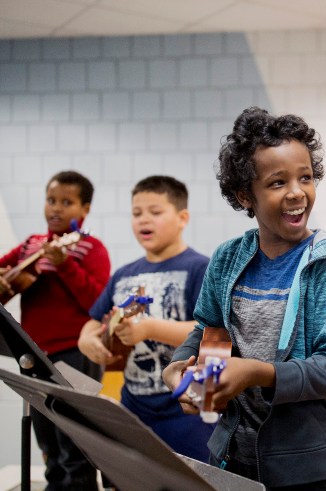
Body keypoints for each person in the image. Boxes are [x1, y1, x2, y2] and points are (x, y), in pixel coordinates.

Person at [163, 107, 326, 490]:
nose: (296, 192)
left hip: (307, 467)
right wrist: (178, 369)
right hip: (233, 455)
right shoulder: (227, 258)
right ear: (245, 195)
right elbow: (208, 331)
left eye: (305, 177)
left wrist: (256, 372)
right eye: (277, 182)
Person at [78, 175, 214, 462]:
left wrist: (150, 328)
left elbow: (209, 331)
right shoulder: (124, 274)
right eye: (136, 213)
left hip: (188, 409)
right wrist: (85, 339)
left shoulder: (201, 268)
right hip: (134, 407)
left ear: (182, 217)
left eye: (155, 212)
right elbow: (93, 321)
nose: (143, 220)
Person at [0, 170, 110, 490]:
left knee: (74, 444)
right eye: (51, 200)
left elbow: (97, 303)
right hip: (33, 354)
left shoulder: (90, 248)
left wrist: (64, 264)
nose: (56, 208)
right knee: (47, 443)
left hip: (75, 354)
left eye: (67, 202)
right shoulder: (30, 246)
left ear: (85, 210)